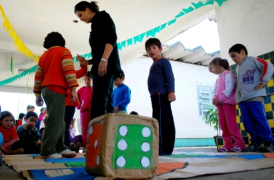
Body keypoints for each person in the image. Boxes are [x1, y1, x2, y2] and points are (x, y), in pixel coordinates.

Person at [33, 32, 78, 159]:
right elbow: (68, 71)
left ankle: (60, 147)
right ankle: (48, 149)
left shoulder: (44, 56)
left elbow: (38, 76)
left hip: (46, 89)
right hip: (57, 88)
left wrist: (37, 95)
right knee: (55, 120)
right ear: (62, 41)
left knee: (60, 120)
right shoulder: (64, 52)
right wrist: (74, 89)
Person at [74, 1, 121, 120]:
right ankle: (105, 133)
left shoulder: (102, 17)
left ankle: (99, 134)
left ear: (88, 9)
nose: (80, 19)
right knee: (105, 101)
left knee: (100, 102)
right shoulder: (95, 23)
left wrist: (104, 59)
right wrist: (87, 62)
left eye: (80, 15)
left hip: (105, 68)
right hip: (102, 66)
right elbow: (99, 54)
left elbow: (111, 38)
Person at [229, 43, 274, 152]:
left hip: (254, 95)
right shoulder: (238, 68)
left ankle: (268, 142)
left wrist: (264, 80)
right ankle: (256, 142)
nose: (233, 59)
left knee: (259, 118)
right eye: (231, 57)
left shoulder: (253, 60)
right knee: (247, 122)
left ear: (243, 52)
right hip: (243, 99)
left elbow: (268, 66)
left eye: (234, 56)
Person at [145, 38, 176, 155]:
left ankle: (165, 148)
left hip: (161, 95)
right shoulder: (154, 64)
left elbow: (170, 77)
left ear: (160, 49)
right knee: (157, 121)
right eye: (148, 49)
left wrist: (171, 91)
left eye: (154, 48)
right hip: (154, 96)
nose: (151, 50)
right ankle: (159, 147)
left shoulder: (164, 62)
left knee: (164, 122)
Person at [209, 57, 246, 152]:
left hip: (228, 103)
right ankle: (228, 144)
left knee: (231, 124)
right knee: (223, 125)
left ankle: (240, 144)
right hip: (220, 105)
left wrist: (220, 99)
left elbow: (229, 88)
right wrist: (214, 99)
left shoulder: (228, 74)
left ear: (217, 63)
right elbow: (215, 91)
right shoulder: (218, 79)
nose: (211, 71)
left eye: (211, 68)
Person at [64, 58, 87, 149]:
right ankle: (65, 146)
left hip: (71, 103)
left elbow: (82, 72)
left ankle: (66, 146)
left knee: (66, 126)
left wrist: (83, 62)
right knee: (64, 126)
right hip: (64, 103)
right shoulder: (60, 73)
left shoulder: (71, 73)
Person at [76, 71, 93, 148]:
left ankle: (92, 147)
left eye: (88, 79)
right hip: (83, 112)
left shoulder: (94, 89)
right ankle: (86, 147)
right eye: (85, 79)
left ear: (91, 79)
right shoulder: (80, 90)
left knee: (93, 129)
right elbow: (76, 100)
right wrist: (79, 106)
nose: (87, 81)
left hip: (92, 111)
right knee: (85, 130)